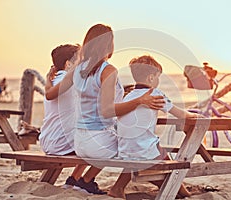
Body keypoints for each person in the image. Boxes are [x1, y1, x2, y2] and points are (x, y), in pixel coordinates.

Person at [45, 24, 165, 195]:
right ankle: (122, 188)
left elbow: (50, 94)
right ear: (109, 44)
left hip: (80, 142)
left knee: (130, 142)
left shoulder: (78, 69)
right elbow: (107, 111)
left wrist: (49, 79)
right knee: (139, 146)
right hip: (98, 143)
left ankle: (84, 181)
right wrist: (140, 100)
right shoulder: (108, 70)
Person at [109, 55, 202, 198]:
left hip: (124, 149)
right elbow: (180, 114)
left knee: (140, 149)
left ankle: (118, 188)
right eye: (158, 77)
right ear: (151, 78)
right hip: (142, 151)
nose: (159, 80)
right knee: (167, 161)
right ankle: (183, 193)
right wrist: (195, 115)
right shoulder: (155, 94)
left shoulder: (128, 97)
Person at [40, 44, 86, 188]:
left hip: (46, 141)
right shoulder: (71, 81)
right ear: (69, 64)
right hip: (60, 144)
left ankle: (74, 179)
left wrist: (48, 79)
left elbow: (49, 93)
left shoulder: (54, 82)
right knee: (102, 140)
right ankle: (83, 180)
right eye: (80, 59)